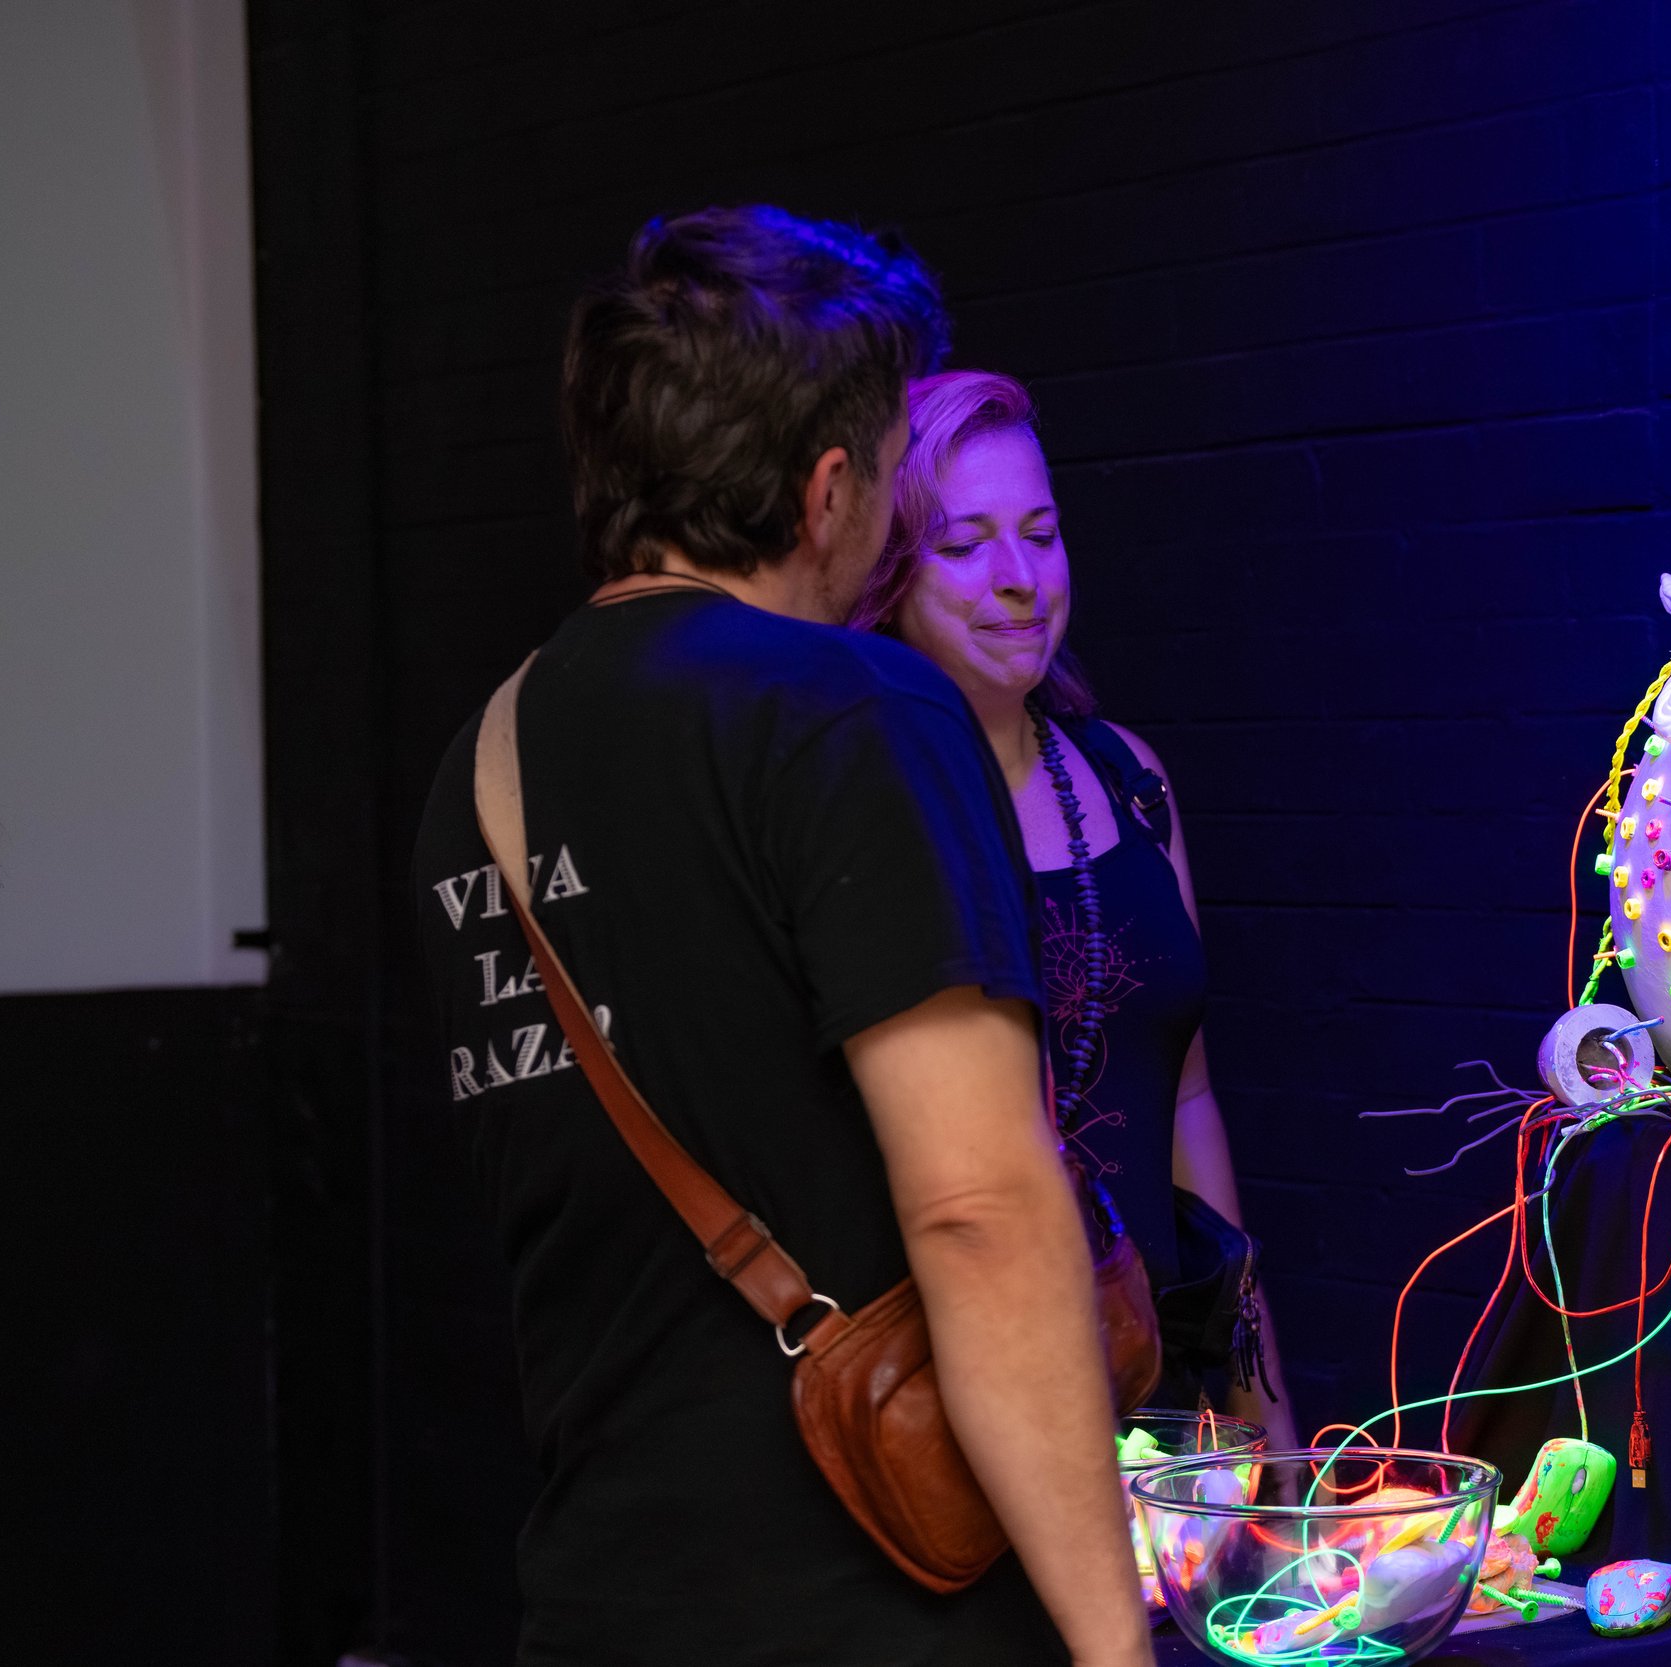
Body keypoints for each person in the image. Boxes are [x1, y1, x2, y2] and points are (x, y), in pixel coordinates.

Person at [410, 209, 1149, 1667]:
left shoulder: (479, 764)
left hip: (596, 1602)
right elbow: (978, 1209)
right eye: (882, 471)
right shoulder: (853, 709)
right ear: (827, 491)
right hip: (871, 1610)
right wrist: (1116, 1645)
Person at [852, 370, 1296, 1453]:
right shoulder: (868, 808)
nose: (1020, 580)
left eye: (1041, 533)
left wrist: (1261, 1406)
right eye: (963, 546)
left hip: (1164, 1401)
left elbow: (1187, 1106)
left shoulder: (1126, 779)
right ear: (889, 572)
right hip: (976, 1410)